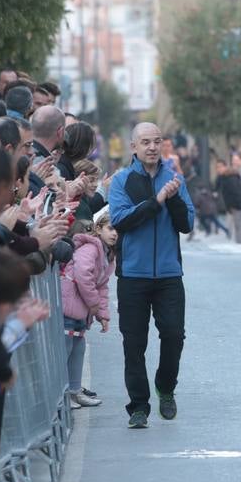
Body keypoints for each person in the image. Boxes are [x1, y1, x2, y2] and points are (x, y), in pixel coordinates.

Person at [108, 122, 195, 429]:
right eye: (145, 142)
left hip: (169, 273)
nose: (152, 147)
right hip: (132, 274)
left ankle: (166, 386)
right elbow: (121, 221)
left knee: (174, 335)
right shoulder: (121, 180)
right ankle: (138, 406)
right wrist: (157, 201)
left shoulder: (175, 179)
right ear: (133, 147)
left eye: (157, 141)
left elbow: (186, 225)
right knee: (134, 342)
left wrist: (171, 199)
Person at [61, 208, 116, 410]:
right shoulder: (91, 248)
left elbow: (102, 285)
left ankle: (74, 392)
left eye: (118, 230)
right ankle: (64, 394)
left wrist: (102, 314)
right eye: (110, 228)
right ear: (99, 229)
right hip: (70, 304)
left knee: (78, 348)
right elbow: (83, 274)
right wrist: (93, 304)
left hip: (81, 309)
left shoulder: (108, 254)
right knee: (65, 349)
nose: (114, 234)